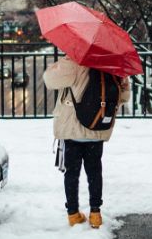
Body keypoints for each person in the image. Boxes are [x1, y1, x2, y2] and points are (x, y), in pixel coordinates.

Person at [43, 56, 130, 228]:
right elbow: (124, 96)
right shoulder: (113, 62)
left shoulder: (75, 62)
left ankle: (73, 214)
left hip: (72, 129)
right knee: (95, 172)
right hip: (97, 129)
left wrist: (60, 63)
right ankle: (96, 214)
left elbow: (49, 80)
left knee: (71, 174)